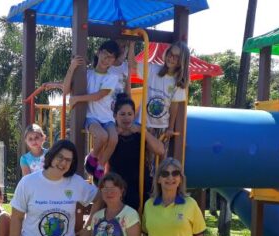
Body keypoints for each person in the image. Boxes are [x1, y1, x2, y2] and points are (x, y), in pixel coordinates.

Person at [63, 40, 121, 183]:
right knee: (102, 137)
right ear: (98, 52)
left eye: (111, 57)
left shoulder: (112, 77)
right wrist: (72, 67)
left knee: (113, 139)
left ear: (114, 61)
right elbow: (65, 90)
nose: (107, 59)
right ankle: (92, 157)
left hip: (107, 117)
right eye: (105, 54)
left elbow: (99, 95)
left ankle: (100, 165)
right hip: (91, 117)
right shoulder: (86, 74)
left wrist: (77, 98)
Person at [107, 94, 166, 211]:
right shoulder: (111, 134)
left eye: (130, 114)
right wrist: (113, 137)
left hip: (140, 183)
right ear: (115, 115)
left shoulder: (140, 133)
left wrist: (142, 131)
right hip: (118, 184)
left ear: (134, 115)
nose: (126, 118)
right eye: (122, 114)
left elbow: (160, 150)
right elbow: (100, 157)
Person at [129, 41, 190, 151]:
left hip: (161, 126)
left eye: (176, 57)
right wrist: (132, 44)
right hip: (143, 122)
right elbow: (132, 64)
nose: (171, 58)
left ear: (182, 61)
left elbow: (174, 106)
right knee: (141, 155)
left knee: (159, 155)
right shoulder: (153, 69)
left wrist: (170, 128)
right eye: (170, 54)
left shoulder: (178, 82)